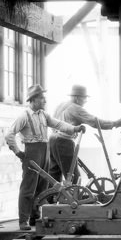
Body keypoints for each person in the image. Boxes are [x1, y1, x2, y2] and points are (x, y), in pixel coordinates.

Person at [5, 84, 84, 231]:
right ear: (33, 100)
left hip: (44, 150)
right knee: (28, 188)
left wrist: (74, 128)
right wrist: (18, 152)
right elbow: (9, 134)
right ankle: (23, 221)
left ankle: (35, 217)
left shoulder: (43, 115)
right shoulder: (24, 116)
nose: (44, 101)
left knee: (42, 187)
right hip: (32, 153)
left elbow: (58, 124)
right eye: (42, 98)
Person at [47, 84, 121, 186]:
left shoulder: (61, 105)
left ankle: (49, 200)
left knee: (54, 175)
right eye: (84, 98)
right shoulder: (75, 108)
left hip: (52, 140)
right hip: (64, 143)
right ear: (77, 98)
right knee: (73, 177)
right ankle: (75, 200)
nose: (85, 101)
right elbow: (95, 122)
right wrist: (116, 123)